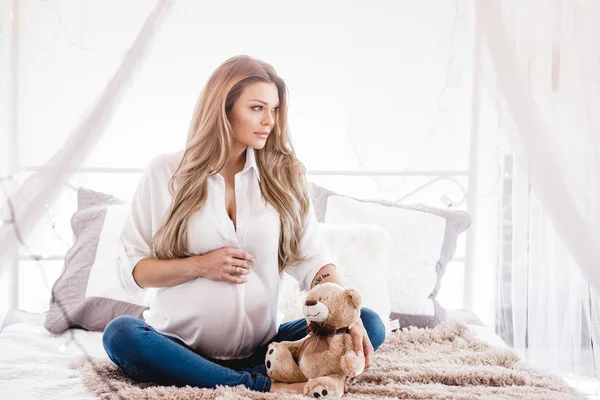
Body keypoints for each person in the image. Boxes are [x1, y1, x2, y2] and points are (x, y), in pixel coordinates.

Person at [102, 55, 386, 395]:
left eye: (275, 109)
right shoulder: (166, 173)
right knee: (121, 334)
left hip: (265, 350)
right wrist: (200, 266)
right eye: (257, 108)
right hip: (178, 347)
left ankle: (250, 376)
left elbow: (312, 259)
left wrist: (345, 315)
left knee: (368, 322)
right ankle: (264, 387)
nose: (270, 121)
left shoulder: (284, 177)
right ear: (223, 108)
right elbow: (134, 269)